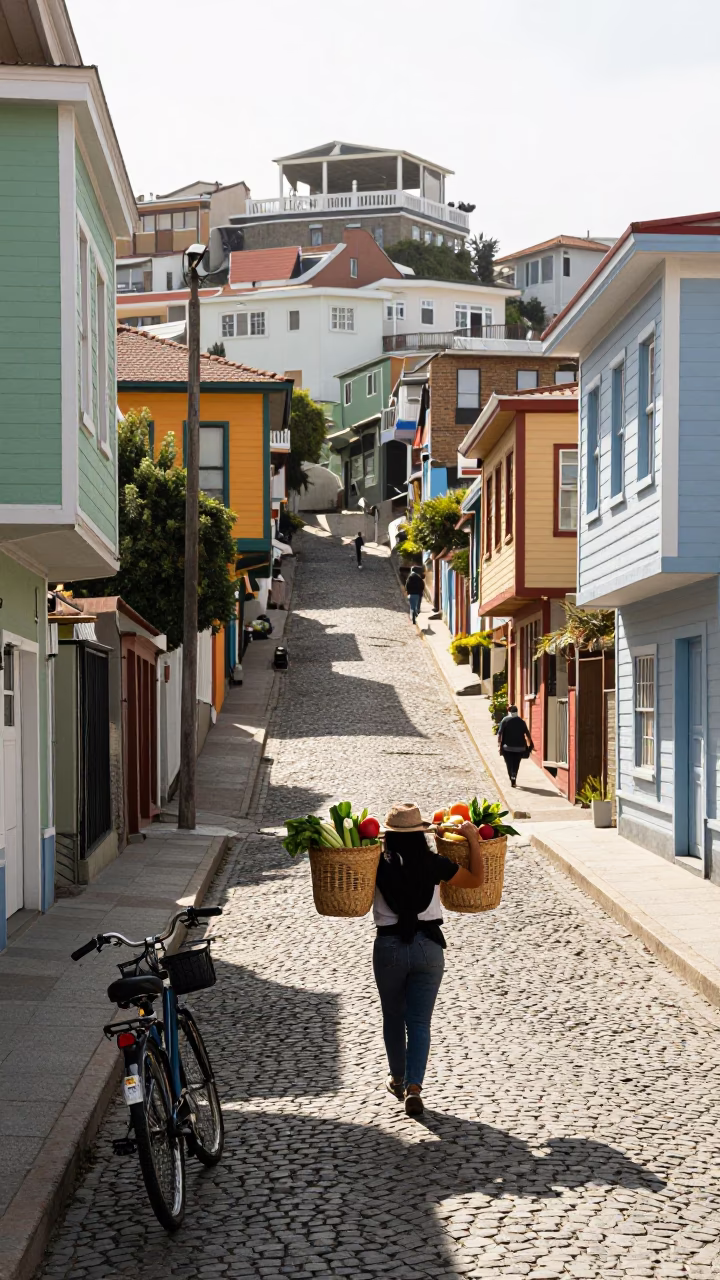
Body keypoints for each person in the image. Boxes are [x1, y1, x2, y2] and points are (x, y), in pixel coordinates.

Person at [373, 803, 486, 1117]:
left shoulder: (375, 863)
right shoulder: (433, 862)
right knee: (419, 1022)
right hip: (429, 947)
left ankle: (397, 1078)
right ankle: (414, 1088)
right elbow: (476, 880)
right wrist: (473, 840)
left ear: (389, 836)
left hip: (389, 947)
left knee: (393, 1017)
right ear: (422, 835)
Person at [497, 704, 533, 788]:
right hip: (520, 748)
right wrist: (530, 745)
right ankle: (514, 776)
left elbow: (500, 733)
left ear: (509, 712)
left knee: (509, 764)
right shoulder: (521, 721)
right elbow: (527, 734)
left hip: (507, 748)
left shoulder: (505, 720)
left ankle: (512, 779)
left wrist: (499, 745)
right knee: (516, 764)